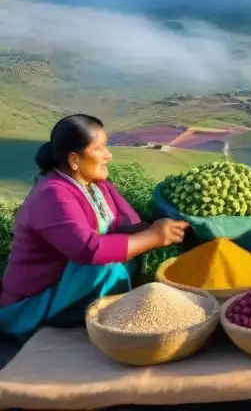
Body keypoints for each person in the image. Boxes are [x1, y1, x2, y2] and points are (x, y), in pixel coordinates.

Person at [0, 115, 188, 341]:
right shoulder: (52, 194)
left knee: (133, 254)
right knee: (109, 269)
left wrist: (170, 229)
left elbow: (129, 225)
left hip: (71, 282)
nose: (108, 155)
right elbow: (89, 249)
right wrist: (155, 237)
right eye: (100, 148)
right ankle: (105, 327)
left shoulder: (97, 185)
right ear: (74, 160)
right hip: (35, 301)